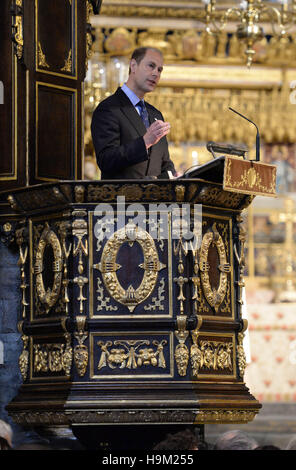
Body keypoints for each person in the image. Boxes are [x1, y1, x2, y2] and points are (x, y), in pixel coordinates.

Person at [91, 47, 176, 180]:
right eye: (151, 66)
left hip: (156, 199)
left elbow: (165, 163)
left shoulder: (155, 114)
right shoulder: (109, 108)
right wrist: (145, 142)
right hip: (122, 198)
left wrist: (175, 176)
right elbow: (106, 160)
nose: (156, 73)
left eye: (159, 70)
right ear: (133, 66)